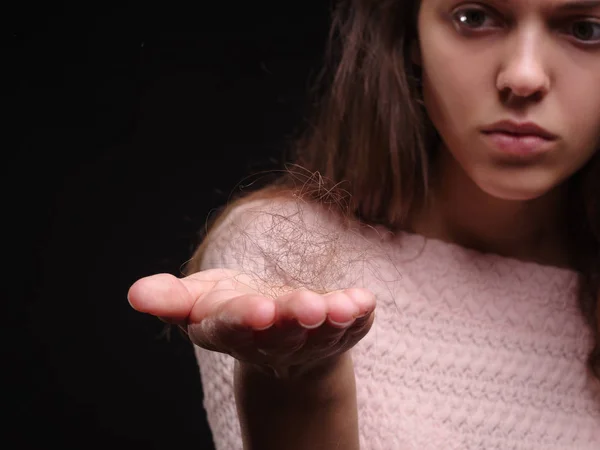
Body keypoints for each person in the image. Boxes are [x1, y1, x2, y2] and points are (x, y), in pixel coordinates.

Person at [127, 0, 600, 448]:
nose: (523, 76)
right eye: (473, 17)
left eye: (587, 29)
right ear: (410, 34)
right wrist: (300, 381)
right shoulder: (287, 258)